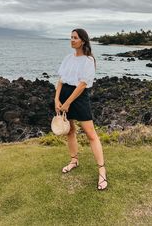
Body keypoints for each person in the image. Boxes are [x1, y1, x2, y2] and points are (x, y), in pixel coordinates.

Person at [54, 28, 108, 191]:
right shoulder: (68, 58)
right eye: (71, 37)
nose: (72, 40)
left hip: (78, 98)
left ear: (83, 41)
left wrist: (69, 102)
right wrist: (56, 98)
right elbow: (61, 80)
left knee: (91, 134)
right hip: (63, 96)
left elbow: (83, 84)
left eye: (75, 38)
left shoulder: (88, 60)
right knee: (70, 131)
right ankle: (74, 160)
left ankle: (102, 170)